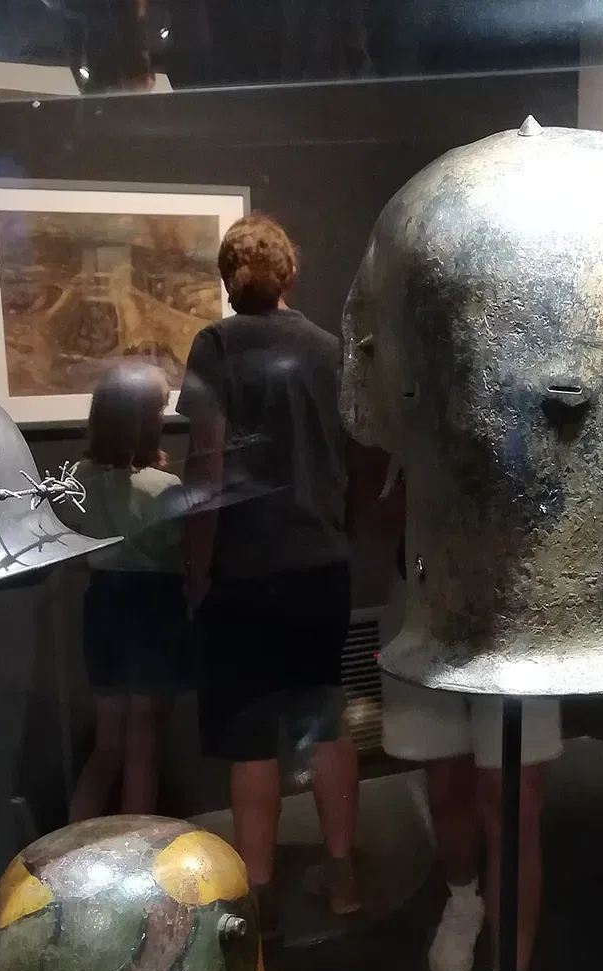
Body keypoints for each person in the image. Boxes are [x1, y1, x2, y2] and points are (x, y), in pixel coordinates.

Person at [178, 213, 360, 931]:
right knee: (326, 717)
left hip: (245, 569)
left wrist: (197, 566)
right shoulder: (329, 350)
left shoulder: (216, 346)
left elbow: (207, 462)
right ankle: (343, 874)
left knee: (251, 734)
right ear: (291, 272)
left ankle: (255, 895)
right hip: (322, 564)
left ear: (229, 278)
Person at [382, 620, 561, 971]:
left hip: (523, 616)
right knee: (446, 781)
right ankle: (464, 899)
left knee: (515, 799)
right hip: (428, 606)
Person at [67, 360, 192, 821]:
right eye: (159, 407)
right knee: (144, 745)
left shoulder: (78, 478)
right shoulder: (165, 487)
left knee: (108, 745)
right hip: (153, 608)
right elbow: (182, 551)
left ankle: (76, 847)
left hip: (102, 604)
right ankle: (139, 850)